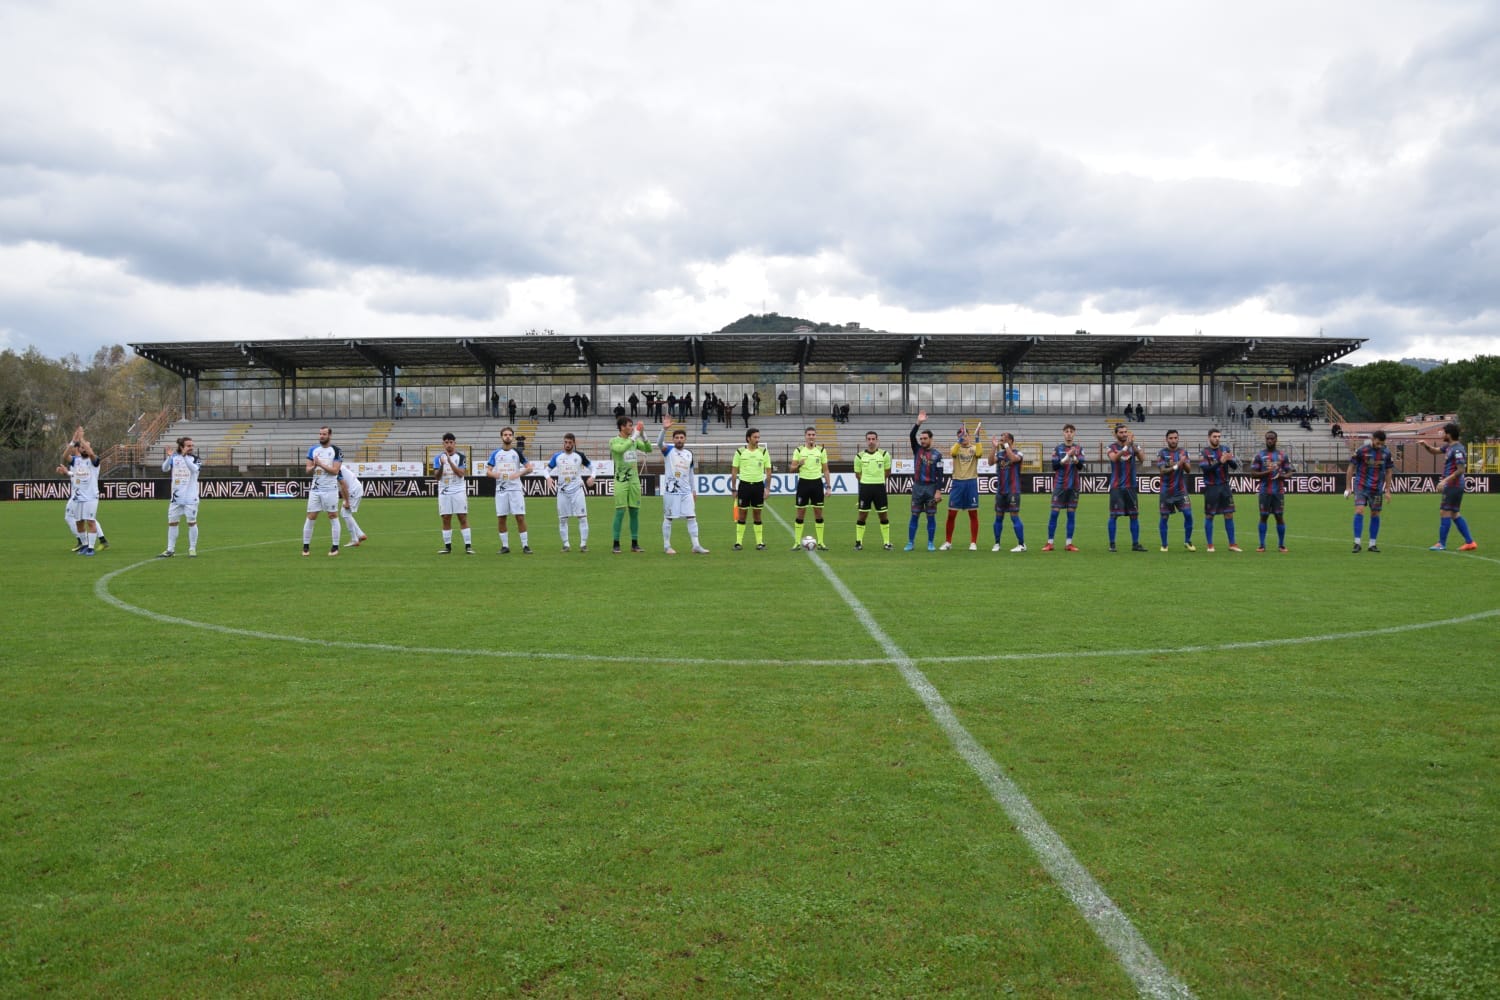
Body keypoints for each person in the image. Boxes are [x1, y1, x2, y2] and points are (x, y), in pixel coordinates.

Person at [1419, 422, 1478, 551]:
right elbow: (1435, 451)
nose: (1442, 434)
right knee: (1454, 513)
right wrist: (1425, 446)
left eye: (1444, 432)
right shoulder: (1449, 447)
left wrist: (1444, 481)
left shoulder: (1457, 449)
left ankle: (1441, 543)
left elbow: (1461, 470)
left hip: (1454, 485)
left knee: (1444, 511)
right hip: (1453, 485)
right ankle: (1470, 542)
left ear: (1449, 434)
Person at [657, 418, 709, 554]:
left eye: (681, 437)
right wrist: (664, 429)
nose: (679, 439)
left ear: (685, 439)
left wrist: (694, 490)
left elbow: (691, 473)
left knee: (692, 517)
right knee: (668, 518)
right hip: (671, 491)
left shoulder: (689, 454)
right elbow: (658, 443)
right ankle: (667, 546)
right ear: (673, 440)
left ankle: (696, 545)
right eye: (677, 438)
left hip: (686, 492)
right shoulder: (668, 450)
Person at [57, 429, 107, 553]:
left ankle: (91, 547)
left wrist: (82, 439)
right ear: (79, 449)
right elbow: (65, 456)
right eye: (82, 447)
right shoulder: (77, 460)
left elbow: (90, 452)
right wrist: (73, 441)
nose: (84, 448)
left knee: (90, 521)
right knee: (79, 522)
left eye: (86, 447)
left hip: (91, 497)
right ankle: (84, 544)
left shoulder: (94, 460)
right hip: (78, 497)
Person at [487, 426, 534, 554]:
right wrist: (495, 474)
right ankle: (505, 546)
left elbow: (530, 468)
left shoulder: (517, 453)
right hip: (501, 490)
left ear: (512, 437)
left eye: (509, 435)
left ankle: (525, 545)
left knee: (520, 517)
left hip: (515, 490)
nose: (507, 436)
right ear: (501, 437)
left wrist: (519, 474)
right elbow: (488, 471)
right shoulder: (496, 453)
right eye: (505, 434)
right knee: (501, 518)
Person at [1346, 430, 1394, 552]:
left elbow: (1389, 471)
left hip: (1377, 489)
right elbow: (1351, 467)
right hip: (1361, 486)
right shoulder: (1362, 451)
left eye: (1382, 444)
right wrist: (1348, 487)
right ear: (1373, 439)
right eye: (1378, 443)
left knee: (1375, 514)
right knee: (1359, 510)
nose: (1379, 446)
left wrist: (1387, 490)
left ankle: (1372, 544)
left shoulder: (1386, 453)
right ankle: (1357, 543)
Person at [610, 415, 652, 553]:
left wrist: (643, 434)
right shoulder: (613, 441)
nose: (632, 427)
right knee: (620, 511)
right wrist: (635, 436)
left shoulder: (633, 441)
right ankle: (616, 543)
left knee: (634, 511)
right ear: (622, 427)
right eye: (629, 425)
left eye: (632, 425)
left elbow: (648, 449)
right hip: (621, 480)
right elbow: (621, 450)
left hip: (634, 480)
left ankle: (635, 543)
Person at [548, 432, 595, 552]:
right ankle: (566, 545)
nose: (567, 445)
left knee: (582, 517)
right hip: (562, 492)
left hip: (577, 491)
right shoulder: (557, 457)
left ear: (574, 443)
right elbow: (545, 470)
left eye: (569, 442)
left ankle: (583, 544)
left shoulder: (579, 456)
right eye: (565, 442)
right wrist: (548, 478)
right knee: (563, 519)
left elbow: (592, 467)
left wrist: (592, 476)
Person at [942, 421, 984, 550]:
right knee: (951, 514)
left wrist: (977, 438)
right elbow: (952, 452)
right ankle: (948, 542)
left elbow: (979, 454)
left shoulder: (973, 448)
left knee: (973, 514)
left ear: (969, 436)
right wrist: (959, 440)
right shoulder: (957, 448)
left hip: (971, 482)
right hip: (957, 483)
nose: (963, 437)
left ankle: (973, 543)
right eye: (961, 435)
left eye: (965, 435)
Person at [1250, 429, 1294, 553]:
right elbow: (1253, 474)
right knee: (1263, 516)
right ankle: (1262, 545)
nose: (1269, 440)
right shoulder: (1259, 455)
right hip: (1264, 491)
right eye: (1267, 438)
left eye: (1272, 438)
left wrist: (1283, 477)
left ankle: (1281, 545)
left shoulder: (1282, 455)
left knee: (1279, 516)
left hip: (1278, 492)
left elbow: (1290, 472)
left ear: (1276, 440)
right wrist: (1267, 472)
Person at [303, 425, 344, 557]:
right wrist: (314, 465)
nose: (321, 436)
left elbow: (335, 471)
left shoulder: (336, 451)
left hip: (330, 490)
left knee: (332, 516)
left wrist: (321, 464)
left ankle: (335, 547)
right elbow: (307, 470)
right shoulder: (313, 450)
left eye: (324, 434)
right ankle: (305, 547)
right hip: (315, 489)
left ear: (329, 436)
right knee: (311, 516)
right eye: (320, 434)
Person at [906, 411, 944, 551]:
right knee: (914, 515)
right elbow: (911, 436)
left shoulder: (937, 455)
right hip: (917, 488)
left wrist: (938, 491)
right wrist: (918, 423)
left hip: (931, 488)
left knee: (931, 517)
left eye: (925, 438)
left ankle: (930, 543)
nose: (922, 441)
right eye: (921, 438)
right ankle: (910, 542)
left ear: (931, 439)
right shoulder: (917, 450)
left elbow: (941, 475)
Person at [1199, 428, 1241, 552]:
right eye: (1214, 436)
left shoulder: (1225, 449)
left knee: (1229, 514)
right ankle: (1210, 545)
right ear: (1209, 438)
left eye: (1218, 436)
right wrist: (1219, 461)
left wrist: (1229, 459)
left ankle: (1232, 544)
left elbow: (1234, 466)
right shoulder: (1204, 452)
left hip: (1225, 486)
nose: (1217, 438)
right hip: (1211, 487)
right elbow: (1206, 469)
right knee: (1210, 515)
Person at [431, 432, 474, 554]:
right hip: (444, 491)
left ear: (455, 443)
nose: (449, 445)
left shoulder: (461, 457)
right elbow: (437, 477)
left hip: (458, 490)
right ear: (443, 444)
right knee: (445, 518)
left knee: (462, 517)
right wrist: (442, 466)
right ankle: (447, 547)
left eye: (451, 442)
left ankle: (468, 546)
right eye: (446, 442)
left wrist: (450, 462)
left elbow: (461, 473)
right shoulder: (438, 458)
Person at [730, 427, 773, 550]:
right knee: (742, 514)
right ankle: (738, 542)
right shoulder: (739, 452)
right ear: (748, 438)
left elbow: (769, 472)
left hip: (758, 486)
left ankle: (760, 542)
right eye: (755, 437)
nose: (757, 439)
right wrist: (733, 488)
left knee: (757, 514)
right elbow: (734, 471)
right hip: (744, 486)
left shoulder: (764, 452)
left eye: (758, 437)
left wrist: (767, 488)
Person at [790, 426, 832, 549]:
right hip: (803, 483)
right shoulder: (798, 450)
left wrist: (828, 486)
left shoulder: (821, 450)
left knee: (818, 513)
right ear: (805, 436)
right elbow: (791, 469)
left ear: (815, 436)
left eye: (813, 435)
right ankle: (797, 542)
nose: (811, 437)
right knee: (800, 513)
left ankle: (821, 542)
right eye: (809, 435)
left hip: (817, 484)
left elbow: (826, 469)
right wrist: (798, 464)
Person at [1043, 423, 1083, 552]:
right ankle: (1050, 543)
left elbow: (1080, 466)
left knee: (1071, 515)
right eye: (1067, 431)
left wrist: (1074, 456)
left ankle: (1069, 543)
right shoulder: (1058, 449)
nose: (1069, 433)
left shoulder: (1079, 448)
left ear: (1074, 433)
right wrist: (1067, 456)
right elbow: (1055, 466)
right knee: (1054, 514)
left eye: (1071, 431)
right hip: (1060, 485)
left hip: (1073, 486)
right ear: (1063, 433)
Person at [1107, 424, 1146, 552]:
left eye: (1125, 432)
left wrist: (1133, 446)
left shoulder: (1133, 446)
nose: (1124, 434)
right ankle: (1112, 544)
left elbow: (1142, 459)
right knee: (1114, 515)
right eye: (1121, 432)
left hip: (1131, 487)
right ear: (1115, 434)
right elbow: (1114, 458)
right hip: (1117, 487)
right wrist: (1125, 447)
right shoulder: (1111, 447)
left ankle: (1135, 544)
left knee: (1134, 515)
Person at [852, 430, 893, 551]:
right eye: (869, 439)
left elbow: (887, 472)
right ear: (866, 441)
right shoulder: (859, 456)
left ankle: (886, 542)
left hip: (879, 488)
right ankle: (858, 542)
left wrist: (878, 480)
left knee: (883, 515)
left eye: (873, 439)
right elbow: (857, 474)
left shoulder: (885, 454)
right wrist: (867, 480)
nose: (871, 441)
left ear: (877, 440)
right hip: (865, 488)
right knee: (862, 515)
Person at [1155, 429, 1196, 551]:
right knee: (1164, 517)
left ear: (1178, 438)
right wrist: (1177, 465)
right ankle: (1164, 544)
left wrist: (1184, 462)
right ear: (1166, 440)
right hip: (1166, 491)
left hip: (1180, 490)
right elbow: (1162, 471)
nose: (1173, 440)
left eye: (1175, 438)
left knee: (1188, 514)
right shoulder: (1162, 453)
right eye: (1171, 438)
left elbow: (1188, 470)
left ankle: (1187, 541)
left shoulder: (1183, 452)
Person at [988, 432, 1026, 552]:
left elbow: (1013, 459)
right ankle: (997, 543)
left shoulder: (1018, 453)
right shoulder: (999, 454)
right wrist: (994, 447)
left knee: (1014, 516)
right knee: (998, 517)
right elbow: (990, 462)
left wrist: (1006, 446)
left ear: (1010, 441)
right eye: (1001, 439)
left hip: (1013, 490)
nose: (1001, 440)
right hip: (1001, 491)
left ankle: (1021, 544)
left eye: (1004, 439)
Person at [338, 461, 367, 548]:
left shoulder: (336, 469)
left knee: (345, 513)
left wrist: (346, 501)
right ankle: (360, 534)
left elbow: (343, 486)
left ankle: (355, 539)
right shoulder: (338, 466)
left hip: (353, 490)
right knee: (346, 514)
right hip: (356, 488)